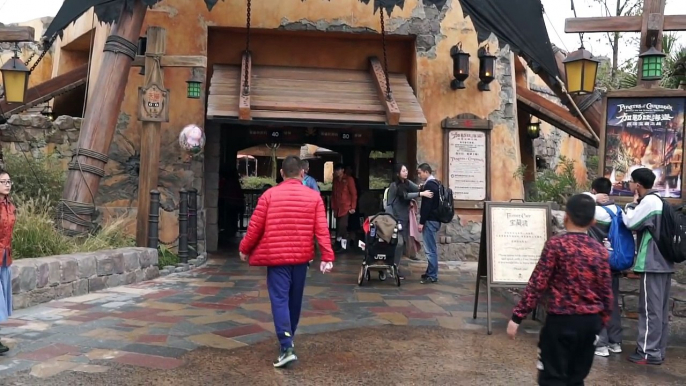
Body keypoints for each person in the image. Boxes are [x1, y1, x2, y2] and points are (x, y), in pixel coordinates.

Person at [238, 156, 335, 368]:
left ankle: (286, 345)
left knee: (279, 299)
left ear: (281, 174)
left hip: (276, 258)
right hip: (301, 258)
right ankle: (288, 338)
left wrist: (244, 248)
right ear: (302, 173)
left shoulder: (269, 195)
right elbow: (321, 229)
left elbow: (255, 227)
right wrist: (327, 256)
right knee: (294, 300)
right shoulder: (314, 198)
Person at [507, 194, 612, 385]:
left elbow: (538, 283)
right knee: (576, 378)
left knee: (552, 377)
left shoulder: (556, 246)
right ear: (593, 222)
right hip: (589, 323)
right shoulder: (600, 251)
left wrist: (517, 316)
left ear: (566, 217)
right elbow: (606, 292)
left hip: (561, 321)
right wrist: (600, 323)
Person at [621, 167, 673, 365]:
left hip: (651, 263)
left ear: (638, 185)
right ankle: (657, 351)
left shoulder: (649, 202)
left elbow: (631, 222)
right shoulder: (660, 200)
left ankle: (647, 352)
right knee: (659, 310)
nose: (630, 185)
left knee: (649, 310)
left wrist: (630, 206)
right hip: (664, 263)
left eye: (631, 182)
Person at [585, 177, 624, 358]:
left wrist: (593, 198)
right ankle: (615, 342)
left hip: (597, 263)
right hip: (614, 262)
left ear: (594, 190)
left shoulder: (594, 211)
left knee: (597, 302)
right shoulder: (618, 210)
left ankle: (601, 344)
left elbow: (575, 201)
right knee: (612, 301)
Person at [386, 164, 433, 279]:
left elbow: (417, 188)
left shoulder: (407, 183)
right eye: (403, 171)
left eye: (406, 170)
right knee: (398, 243)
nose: (406, 172)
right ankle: (392, 267)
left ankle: (393, 267)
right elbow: (405, 196)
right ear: (398, 173)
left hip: (404, 218)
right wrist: (420, 194)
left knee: (400, 244)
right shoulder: (394, 186)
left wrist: (425, 186)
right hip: (394, 218)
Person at [0, 170, 16, 354]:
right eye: (3, 181)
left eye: (8, 181)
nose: (7, 184)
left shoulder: (10, 206)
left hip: (5, 258)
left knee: (2, 300)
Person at [417, 163, 440, 284]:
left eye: (420, 172)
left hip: (430, 221)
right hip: (435, 220)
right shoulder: (435, 183)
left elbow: (426, 206)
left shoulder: (430, 185)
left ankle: (432, 275)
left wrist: (421, 222)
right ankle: (430, 272)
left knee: (430, 249)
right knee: (431, 247)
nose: (419, 175)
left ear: (426, 172)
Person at [331, 163, 357, 252]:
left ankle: (343, 245)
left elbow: (353, 194)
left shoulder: (349, 179)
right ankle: (338, 244)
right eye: (336, 170)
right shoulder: (335, 181)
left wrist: (353, 206)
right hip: (338, 207)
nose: (337, 172)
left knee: (343, 226)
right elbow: (333, 195)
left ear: (342, 170)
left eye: (338, 170)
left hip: (346, 207)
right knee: (339, 226)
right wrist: (333, 207)